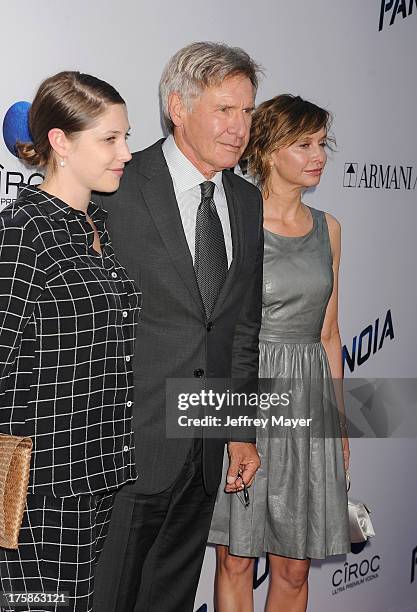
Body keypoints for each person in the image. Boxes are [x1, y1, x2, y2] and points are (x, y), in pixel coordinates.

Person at [93, 42, 263, 612]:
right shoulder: (117, 187)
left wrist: (240, 430)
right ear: (177, 107)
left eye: (247, 112)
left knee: (170, 598)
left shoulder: (245, 200)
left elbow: (240, 327)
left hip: (204, 447)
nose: (240, 128)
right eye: (225, 110)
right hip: (124, 444)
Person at [0, 71, 141, 612]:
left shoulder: (94, 224)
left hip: (98, 471)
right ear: (60, 142)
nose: (125, 152)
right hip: (41, 489)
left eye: (125, 136)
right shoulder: (25, 230)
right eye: (109, 139)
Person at [209, 94, 350, 612]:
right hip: (248, 390)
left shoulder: (329, 228)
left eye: (322, 144)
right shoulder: (233, 222)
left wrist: (338, 420)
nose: (319, 156)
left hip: (309, 398)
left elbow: (330, 333)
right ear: (268, 152)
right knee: (237, 558)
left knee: (294, 564)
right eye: (304, 144)